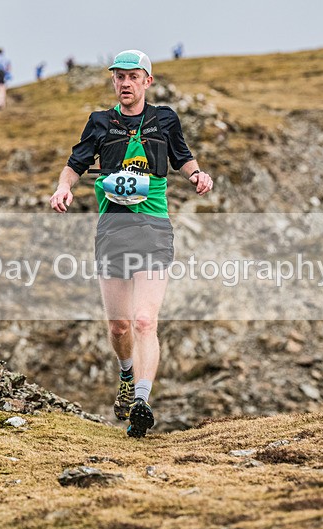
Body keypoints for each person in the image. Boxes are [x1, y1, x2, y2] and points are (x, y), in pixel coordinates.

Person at [49, 50, 213, 438]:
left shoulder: (165, 119)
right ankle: (126, 375)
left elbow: (183, 156)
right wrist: (62, 188)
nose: (125, 83)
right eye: (119, 77)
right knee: (120, 326)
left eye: (133, 76)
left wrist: (197, 175)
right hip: (113, 231)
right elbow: (75, 164)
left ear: (147, 82)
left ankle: (141, 401)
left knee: (144, 320)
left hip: (153, 229)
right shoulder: (100, 122)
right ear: (113, 81)